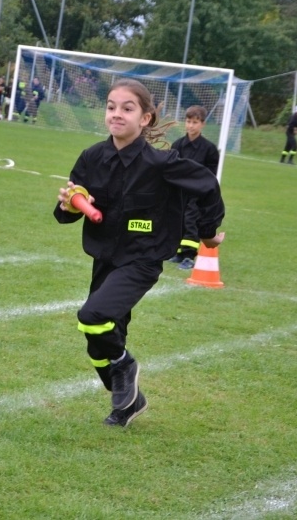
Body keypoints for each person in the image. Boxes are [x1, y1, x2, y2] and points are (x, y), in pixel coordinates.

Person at [53, 79, 225, 427]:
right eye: (111, 106)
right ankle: (127, 403)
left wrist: (207, 233)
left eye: (127, 108)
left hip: (142, 259)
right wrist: (70, 206)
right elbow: (67, 209)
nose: (117, 114)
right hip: (105, 258)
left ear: (145, 118)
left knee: (92, 315)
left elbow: (207, 185)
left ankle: (126, 367)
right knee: (96, 344)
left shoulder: (162, 163)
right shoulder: (92, 157)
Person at [168, 105, 220, 270]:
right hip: (179, 192)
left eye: (195, 122)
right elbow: (171, 168)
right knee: (178, 220)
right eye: (189, 121)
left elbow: (211, 174)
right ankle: (178, 252)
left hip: (198, 193)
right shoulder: (177, 145)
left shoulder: (209, 149)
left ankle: (189, 255)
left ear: (203, 124)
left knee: (191, 221)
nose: (191, 125)